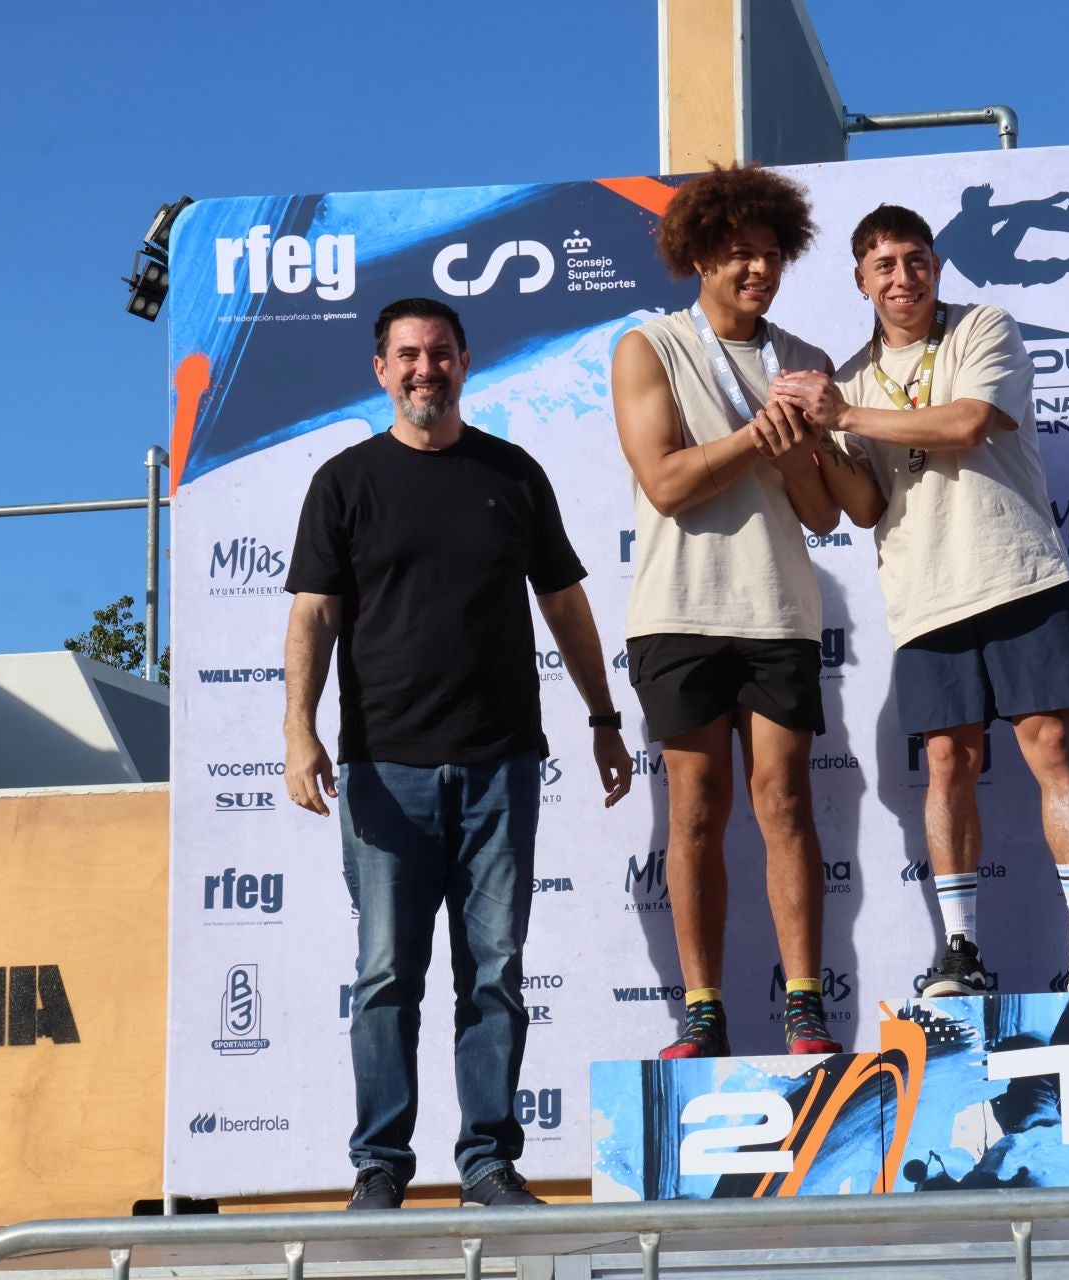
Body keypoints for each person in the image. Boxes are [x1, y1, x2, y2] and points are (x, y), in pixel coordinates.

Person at [284, 297, 633, 1211]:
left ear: (467, 363)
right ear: (380, 370)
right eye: (407, 356)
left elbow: (565, 607)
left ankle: (487, 1162)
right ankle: (380, 1169)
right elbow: (313, 616)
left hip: (500, 766)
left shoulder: (512, 474)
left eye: (440, 354)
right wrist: (297, 731)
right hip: (383, 770)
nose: (424, 369)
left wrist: (602, 716)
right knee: (388, 978)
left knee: (495, 975)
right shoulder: (345, 482)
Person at [771, 203, 1069, 998]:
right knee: (947, 765)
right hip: (926, 595)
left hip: (1017, 574)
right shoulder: (852, 378)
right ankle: (960, 949)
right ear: (860, 280)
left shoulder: (983, 329)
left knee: (1051, 751)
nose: (904, 277)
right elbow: (863, 509)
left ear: (936, 266)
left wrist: (844, 415)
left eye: (916, 260)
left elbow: (968, 422)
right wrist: (814, 447)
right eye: (885, 265)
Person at [609, 164, 846, 1059]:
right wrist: (759, 435)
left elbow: (823, 513)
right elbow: (666, 482)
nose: (758, 271)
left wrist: (793, 455)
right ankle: (702, 1016)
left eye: (771, 255)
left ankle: (805, 1009)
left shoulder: (805, 360)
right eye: (739, 255)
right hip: (678, 610)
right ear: (699, 255)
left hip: (778, 609)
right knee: (696, 809)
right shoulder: (649, 348)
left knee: (784, 803)